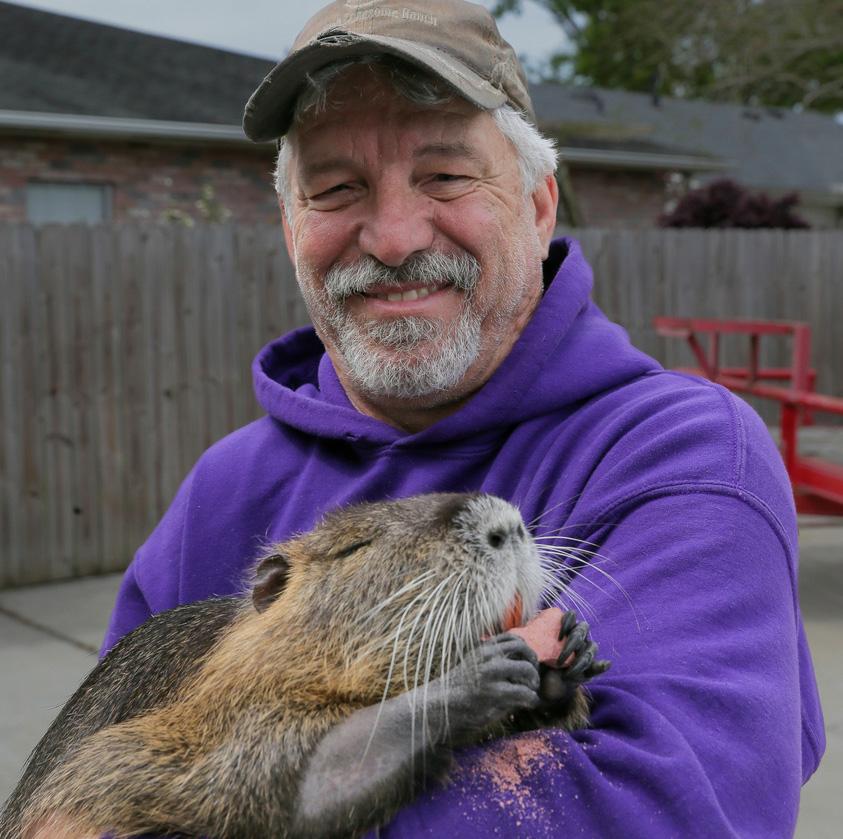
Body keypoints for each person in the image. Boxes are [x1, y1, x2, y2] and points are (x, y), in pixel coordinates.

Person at [103, 1, 824, 835]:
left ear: (539, 204)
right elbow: (96, 787)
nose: (396, 236)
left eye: (444, 176)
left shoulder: (678, 453)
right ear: (291, 225)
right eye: (337, 188)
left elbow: (655, 809)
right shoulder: (222, 491)